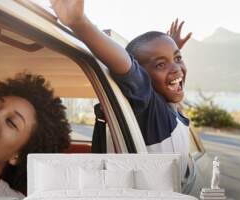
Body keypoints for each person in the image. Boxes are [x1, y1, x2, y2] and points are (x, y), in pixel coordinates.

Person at [50, 0, 192, 178]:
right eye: (160, 64)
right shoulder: (150, 108)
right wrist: (80, 23)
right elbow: (128, 68)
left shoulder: (166, 104)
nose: (177, 69)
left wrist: (171, 47)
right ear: (141, 75)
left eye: (178, 58)